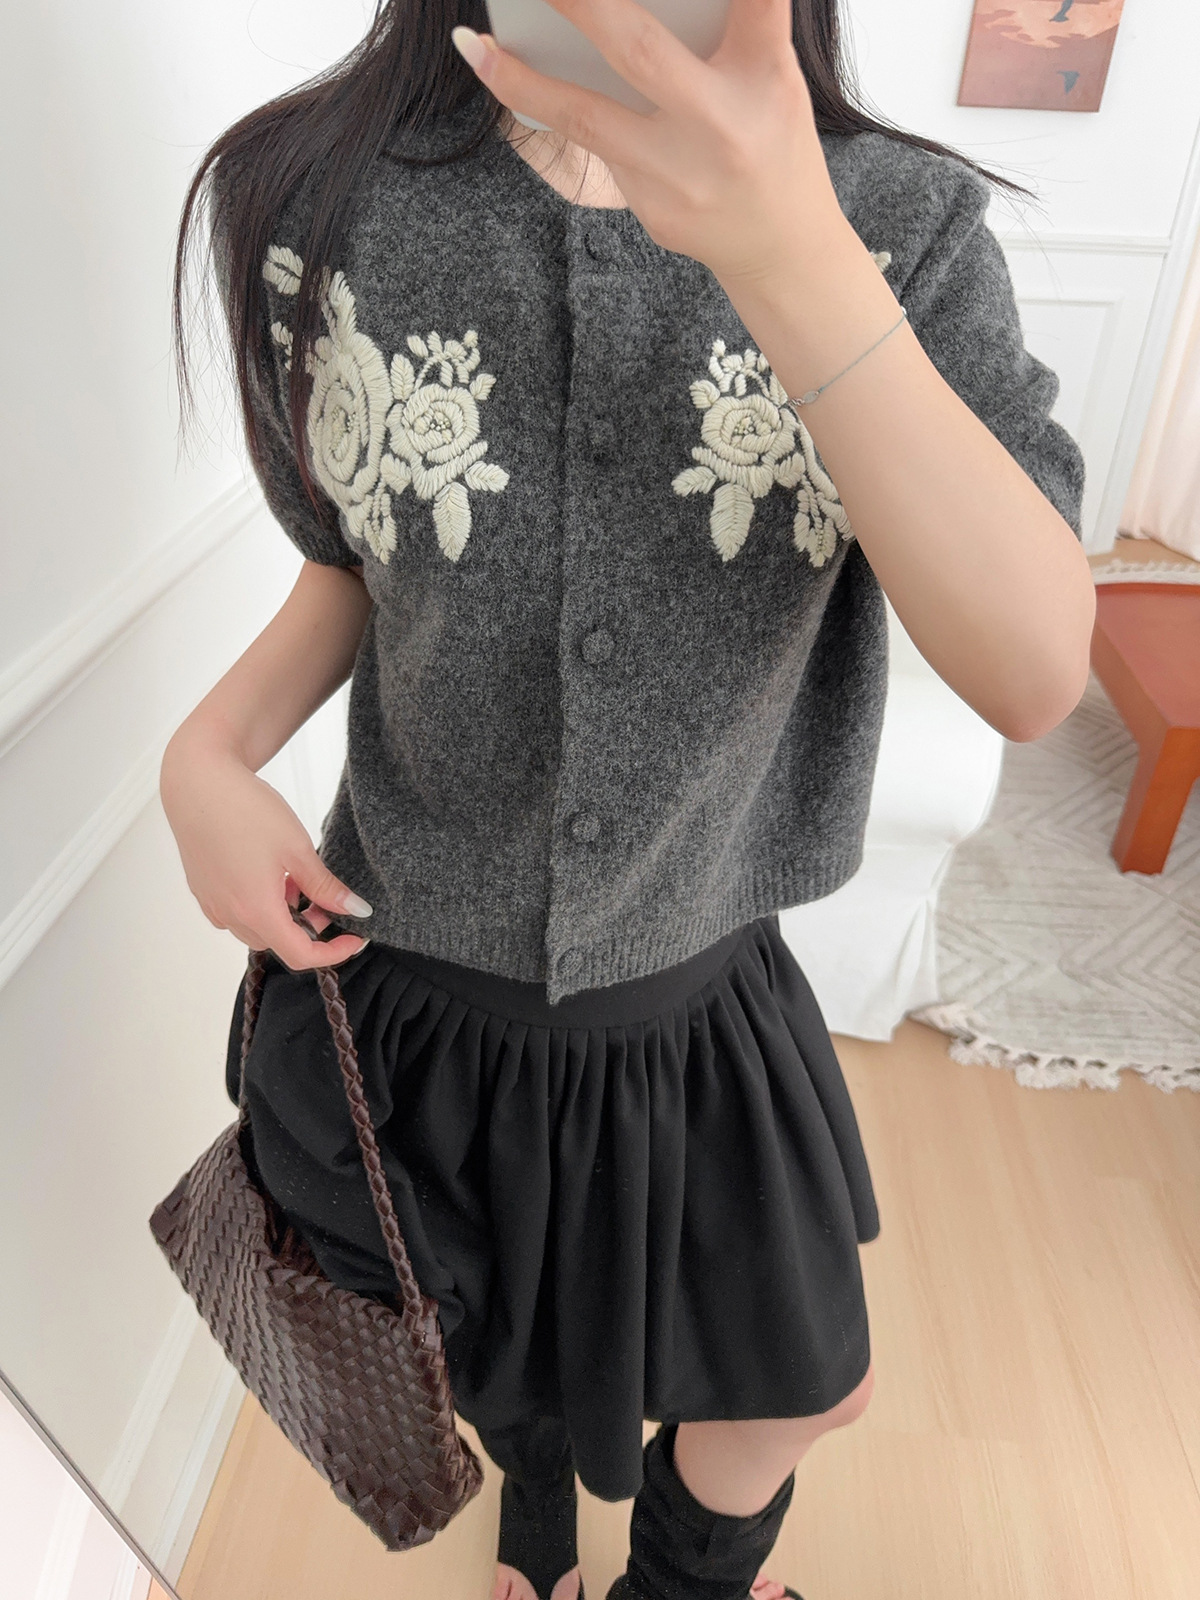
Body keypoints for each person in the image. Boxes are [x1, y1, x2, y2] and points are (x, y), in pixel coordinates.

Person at [160, 3, 1096, 1597]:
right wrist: (207, 753)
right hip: (406, 988)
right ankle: (535, 1531)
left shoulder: (901, 223)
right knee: (495, 1364)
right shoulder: (309, 192)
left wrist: (791, 252)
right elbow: (362, 558)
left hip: (697, 996)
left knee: (804, 1382)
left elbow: (1032, 669)